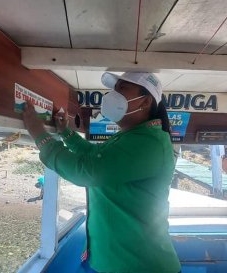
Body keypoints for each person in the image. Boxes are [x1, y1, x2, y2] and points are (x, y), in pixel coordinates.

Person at [22, 72, 181, 273]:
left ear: (146, 101)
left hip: (138, 265)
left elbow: (87, 171)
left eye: (122, 88)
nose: (113, 94)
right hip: (115, 261)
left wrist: (40, 136)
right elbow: (96, 156)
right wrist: (66, 133)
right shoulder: (134, 137)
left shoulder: (148, 143)